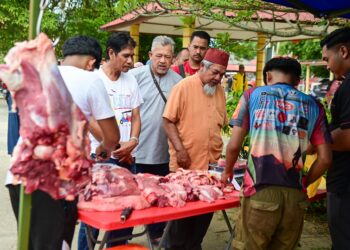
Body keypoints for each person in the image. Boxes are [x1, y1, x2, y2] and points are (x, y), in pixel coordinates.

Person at [5, 35, 120, 250]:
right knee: (55, 245)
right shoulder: (91, 79)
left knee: (30, 244)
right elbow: (112, 137)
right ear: (91, 62)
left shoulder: (41, 74)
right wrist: (104, 148)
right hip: (50, 180)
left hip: (17, 175)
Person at [223, 57, 332, 250]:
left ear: (268, 76)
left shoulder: (252, 95)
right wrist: (304, 182)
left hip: (259, 190)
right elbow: (325, 159)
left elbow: (233, 146)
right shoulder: (314, 105)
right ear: (298, 81)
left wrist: (227, 172)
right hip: (294, 196)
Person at [78, 32, 143, 250]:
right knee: (93, 216)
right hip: (101, 158)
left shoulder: (131, 80)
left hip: (127, 157)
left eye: (132, 56)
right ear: (111, 53)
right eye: (125, 56)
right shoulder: (94, 80)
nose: (130, 61)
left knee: (125, 216)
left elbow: (136, 115)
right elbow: (90, 120)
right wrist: (115, 147)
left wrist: (133, 141)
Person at [163, 48, 229, 250]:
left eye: (221, 74)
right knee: (180, 224)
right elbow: (168, 121)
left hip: (209, 169)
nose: (217, 78)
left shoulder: (219, 91)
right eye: (214, 73)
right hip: (185, 166)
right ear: (202, 67)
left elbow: (221, 124)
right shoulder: (183, 87)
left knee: (202, 220)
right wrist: (180, 150)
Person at [130, 36, 182, 243]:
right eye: (158, 55)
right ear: (150, 55)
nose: (162, 60)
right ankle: (122, 238)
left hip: (164, 151)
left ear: (173, 60)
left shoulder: (178, 83)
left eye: (167, 57)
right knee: (134, 198)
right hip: (136, 151)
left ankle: (156, 237)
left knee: (160, 195)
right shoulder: (134, 77)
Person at [320, 27, 350, 250]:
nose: (327, 65)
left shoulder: (348, 87)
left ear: (343, 51)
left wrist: (317, 141)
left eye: (327, 59)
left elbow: (347, 137)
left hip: (345, 183)